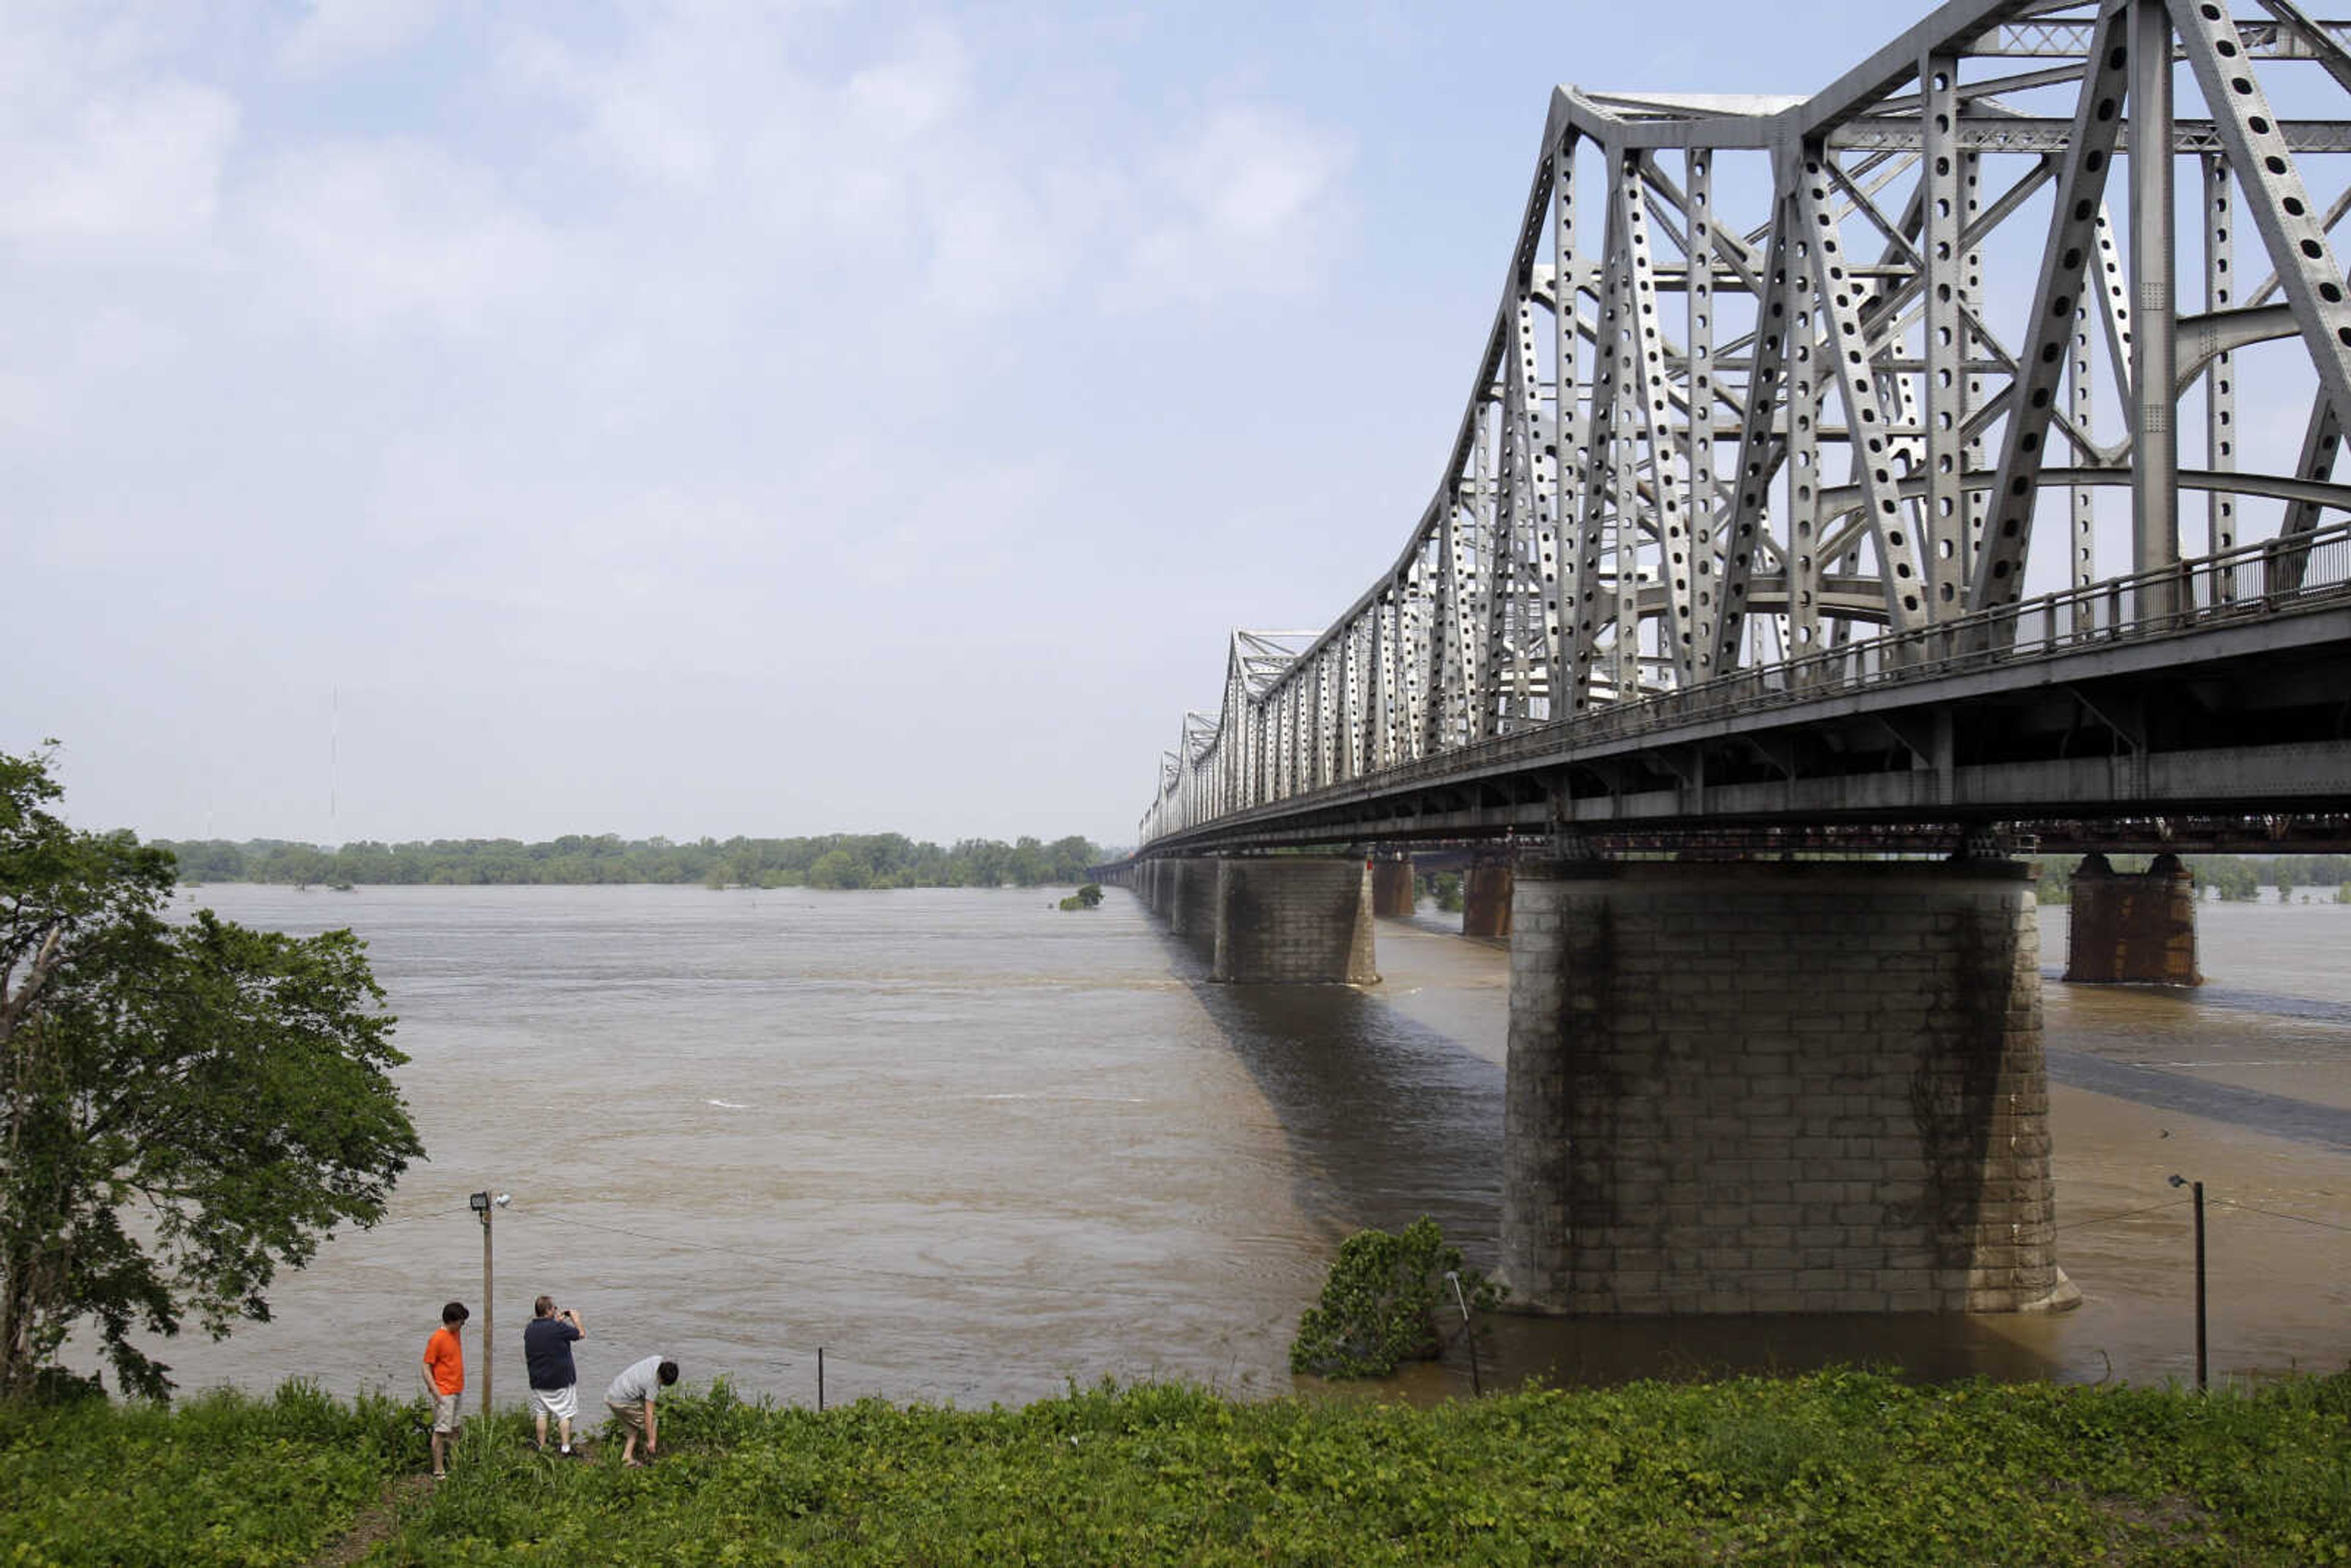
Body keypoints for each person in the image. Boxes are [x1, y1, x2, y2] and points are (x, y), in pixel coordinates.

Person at [522, 1296, 587, 1455]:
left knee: (542, 1413)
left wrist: (557, 1322)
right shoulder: (558, 1328)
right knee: (565, 1414)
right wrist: (576, 1319)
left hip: (538, 1380)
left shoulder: (529, 1329)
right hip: (561, 1380)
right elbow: (580, 1334)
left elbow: (547, 1335)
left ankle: (542, 1447)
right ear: (549, 1310)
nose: (557, 1310)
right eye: (554, 1308)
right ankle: (566, 1448)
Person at [603, 1354, 678, 1467]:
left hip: (612, 1394)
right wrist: (651, 1440)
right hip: (621, 1401)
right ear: (662, 1380)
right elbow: (649, 1414)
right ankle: (652, 1455)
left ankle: (627, 1458)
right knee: (653, 1422)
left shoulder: (657, 1359)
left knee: (632, 1430)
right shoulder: (653, 1385)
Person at [421, 1301, 468, 1479]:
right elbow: (426, 1367)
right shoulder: (437, 1339)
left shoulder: (456, 1333)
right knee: (441, 1431)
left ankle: (456, 1465)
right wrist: (436, 1392)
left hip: (457, 1389)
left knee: (456, 1430)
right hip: (444, 1392)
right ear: (452, 1321)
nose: (463, 1325)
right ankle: (439, 1470)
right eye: (461, 1322)